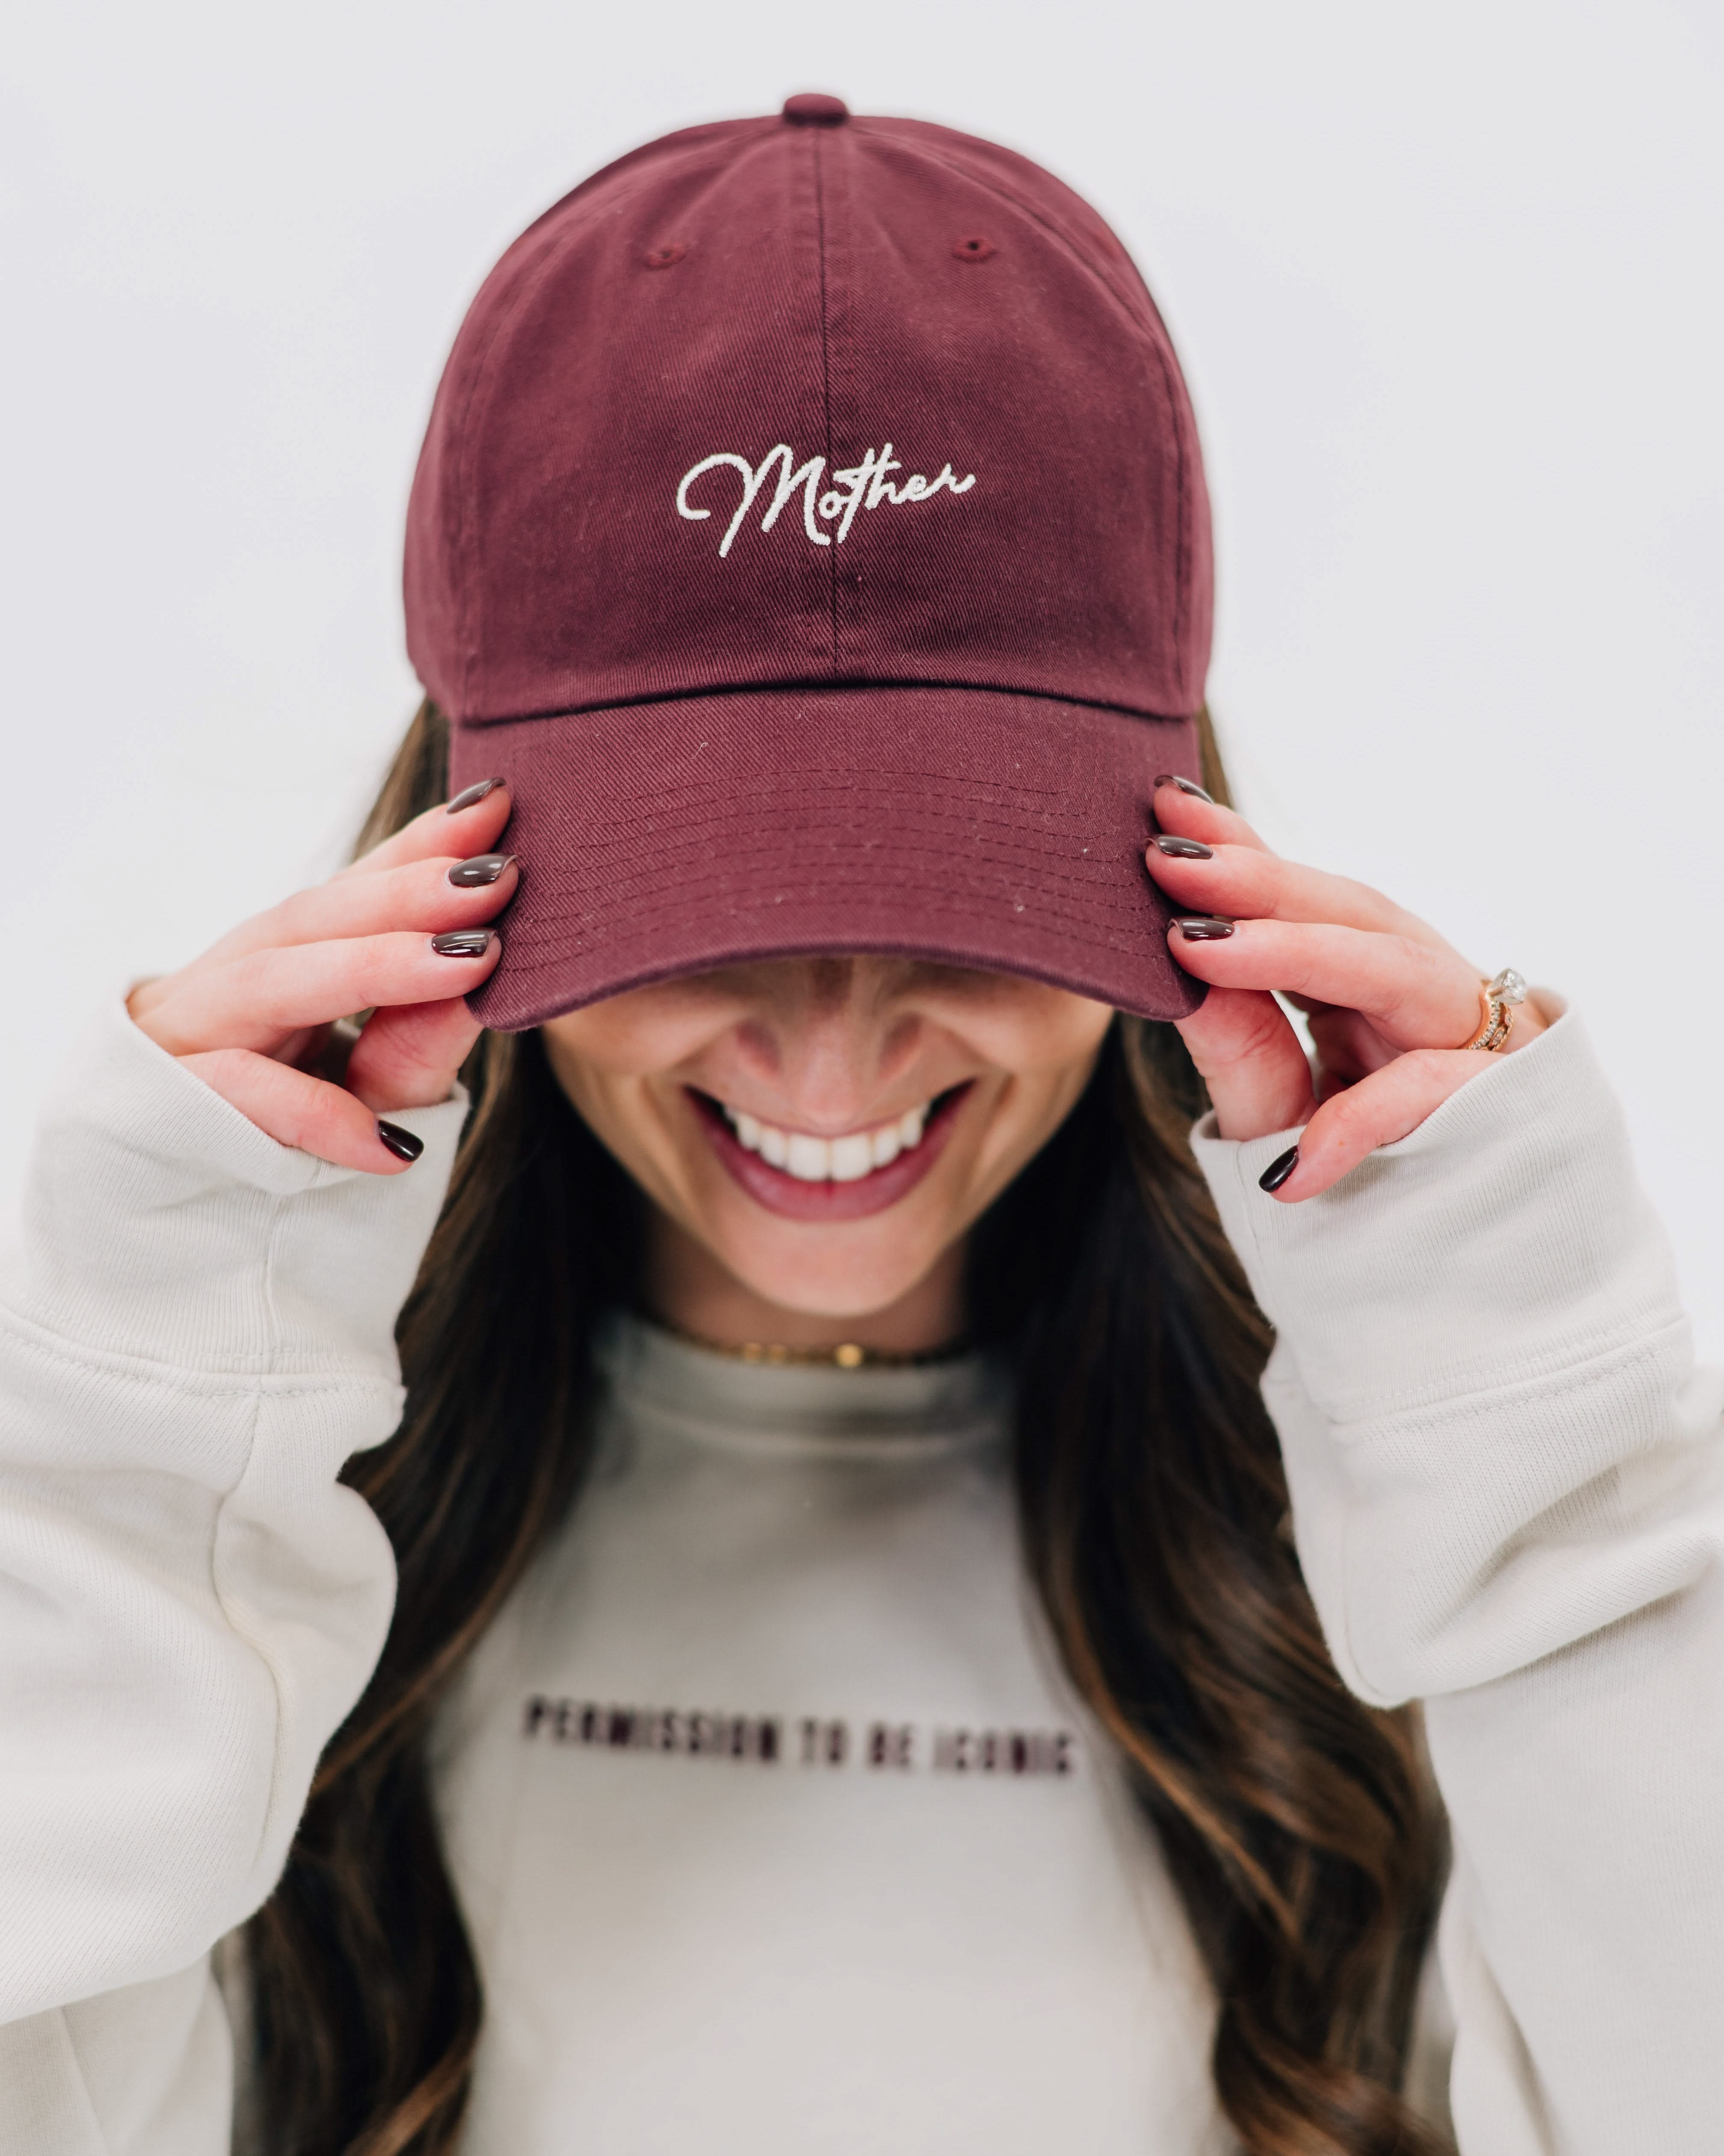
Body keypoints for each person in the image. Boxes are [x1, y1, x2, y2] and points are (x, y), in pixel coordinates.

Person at [0, 94, 1718, 2156]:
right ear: (447, 872)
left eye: (956, 901)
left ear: (1189, 874)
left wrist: (1550, 1442)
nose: (833, 1067)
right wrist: (122, 1423)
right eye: (696, 913)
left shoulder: (1412, 1554)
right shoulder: (240, 1588)